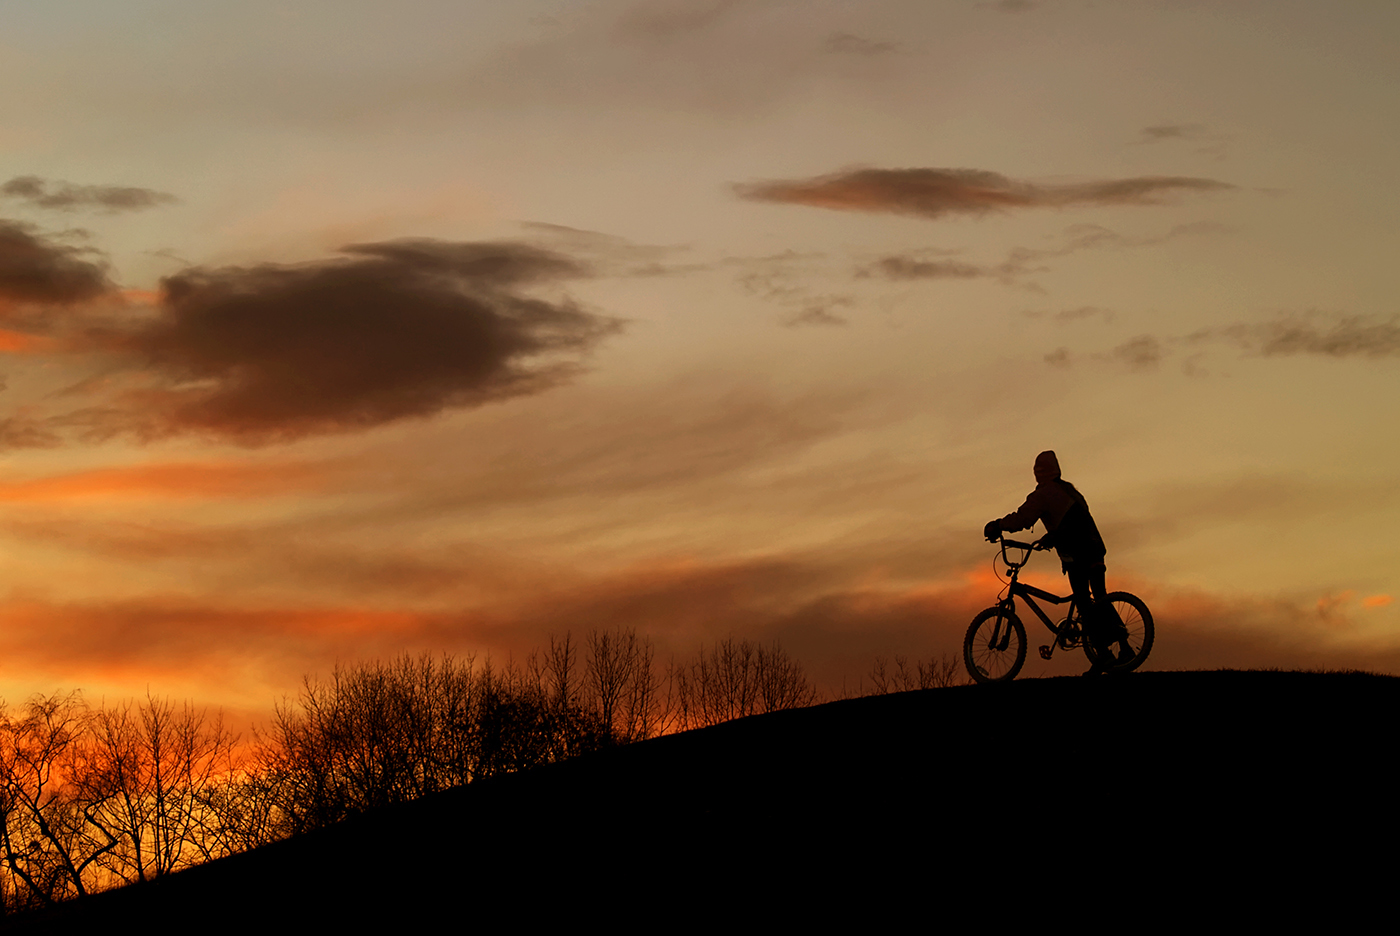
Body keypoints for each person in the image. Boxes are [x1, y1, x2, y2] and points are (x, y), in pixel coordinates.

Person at [983, 450, 1131, 674]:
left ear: (1038, 473)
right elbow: (1072, 520)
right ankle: (1125, 647)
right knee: (1099, 596)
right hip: (1094, 547)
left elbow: (1024, 518)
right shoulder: (1069, 490)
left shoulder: (1044, 493)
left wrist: (998, 525)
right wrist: (1051, 537)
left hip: (1077, 551)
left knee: (1083, 601)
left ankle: (1103, 654)